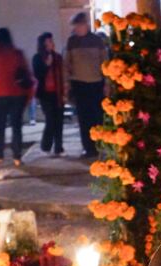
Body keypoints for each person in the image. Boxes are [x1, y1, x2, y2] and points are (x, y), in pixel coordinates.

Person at [0, 27, 33, 166]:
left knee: (0, 125)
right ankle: (17, 157)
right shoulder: (18, 54)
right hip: (18, 94)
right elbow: (26, 73)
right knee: (16, 126)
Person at [64, 12, 108, 158]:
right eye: (75, 26)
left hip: (96, 83)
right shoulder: (71, 42)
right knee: (84, 118)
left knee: (97, 116)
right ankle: (88, 148)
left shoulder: (97, 41)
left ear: (85, 25)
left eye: (78, 25)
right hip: (80, 84)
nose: (76, 29)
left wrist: (106, 82)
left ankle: (100, 145)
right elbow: (66, 63)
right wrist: (67, 83)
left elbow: (105, 62)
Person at [32, 32, 65, 157]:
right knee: (51, 119)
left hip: (58, 92)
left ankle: (58, 146)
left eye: (52, 41)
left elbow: (62, 74)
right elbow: (37, 75)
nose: (52, 44)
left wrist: (65, 91)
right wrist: (47, 65)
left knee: (59, 119)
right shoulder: (37, 58)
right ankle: (46, 145)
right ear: (43, 44)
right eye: (49, 42)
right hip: (45, 94)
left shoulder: (58, 57)